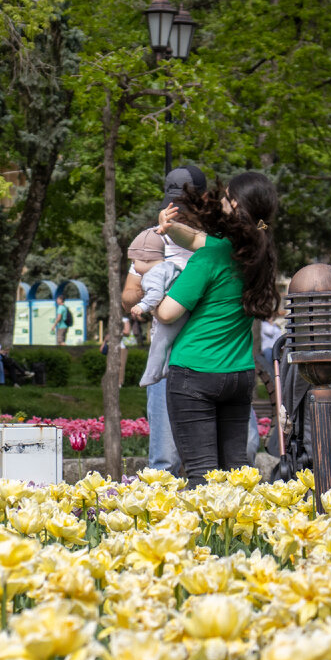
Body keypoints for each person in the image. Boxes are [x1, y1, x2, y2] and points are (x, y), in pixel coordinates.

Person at [155, 171, 280, 485]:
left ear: (234, 204)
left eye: (225, 197)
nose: (221, 201)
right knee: (236, 473)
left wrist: (152, 295)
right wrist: (169, 228)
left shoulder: (210, 258)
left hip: (195, 373)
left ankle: (206, 535)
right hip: (238, 376)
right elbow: (195, 239)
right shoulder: (259, 256)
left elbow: (168, 313)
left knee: (201, 476)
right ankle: (239, 532)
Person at [123, 165, 206, 476]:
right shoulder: (151, 239)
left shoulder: (216, 240)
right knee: (165, 459)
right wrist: (155, 283)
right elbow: (128, 297)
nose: (178, 213)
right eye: (173, 205)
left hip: (209, 352)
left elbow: (262, 227)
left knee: (245, 448)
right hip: (168, 357)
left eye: (186, 205)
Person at [128, 227, 188, 394]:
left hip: (171, 314)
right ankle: (164, 369)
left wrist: (142, 306)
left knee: (159, 344)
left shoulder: (151, 275)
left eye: (134, 262)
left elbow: (155, 295)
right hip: (184, 312)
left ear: (146, 259)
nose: (133, 266)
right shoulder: (169, 267)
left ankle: (151, 374)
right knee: (169, 345)